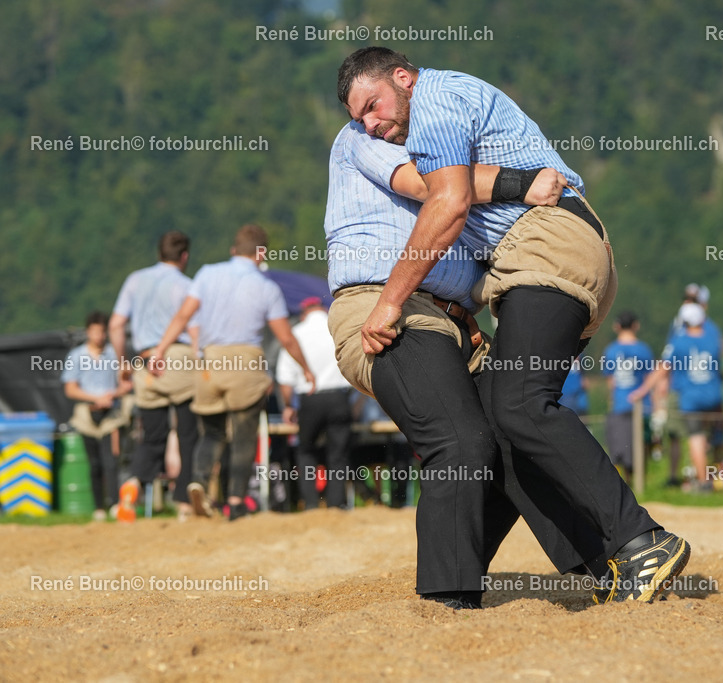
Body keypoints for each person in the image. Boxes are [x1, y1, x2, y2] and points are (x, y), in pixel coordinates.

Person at [338, 46, 690, 603]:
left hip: (544, 249)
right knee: (507, 427)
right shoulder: (429, 115)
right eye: (359, 118)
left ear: (403, 78)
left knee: (521, 405)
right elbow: (448, 190)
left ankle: (642, 540)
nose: (371, 124)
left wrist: (389, 302)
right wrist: (518, 182)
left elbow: (447, 201)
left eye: (373, 105)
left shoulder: (436, 100)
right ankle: (592, 570)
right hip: (549, 256)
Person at [322, 117, 601, 609]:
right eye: (362, 106)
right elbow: (432, 187)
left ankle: (601, 564)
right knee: (460, 442)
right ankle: (446, 597)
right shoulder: (364, 138)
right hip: (383, 308)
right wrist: (523, 182)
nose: (370, 117)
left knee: (516, 434)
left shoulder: (436, 144)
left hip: (455, 322)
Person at [151, 224, 315, 521]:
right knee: (243, 435)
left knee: (212, 433)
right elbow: (285, 337)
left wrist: (160, 350)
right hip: (246, 362)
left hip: (210, 363)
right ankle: (236, 501)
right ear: (261, 253)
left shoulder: (206, 274)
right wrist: (306, 368)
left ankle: (198, 480)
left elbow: (183, 316)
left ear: (233, 250)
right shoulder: (267, 287)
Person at [108, 230, 200, 523]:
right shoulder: (187, 285)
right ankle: (184, 501)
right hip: (177, 357)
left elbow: (115, 324)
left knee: (152, 436)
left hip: (144, 362)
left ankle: (132, 485)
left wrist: (124, 363)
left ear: (158, 253)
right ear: (184, 256)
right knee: (187, 434)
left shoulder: (135, 280)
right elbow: (195, 330)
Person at [632, 303, 723, 493]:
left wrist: (643, 390)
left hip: (692, 398)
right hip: (714, 395)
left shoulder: (678, 341)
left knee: (696, 438)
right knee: (715, 437)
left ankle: (704, 482)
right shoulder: (713, 338)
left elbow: (662, 368)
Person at [277, 296, 354, 511]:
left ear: (304, 313)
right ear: (322, 308)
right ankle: (336, 504)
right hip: (340, 397)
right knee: (338, 453)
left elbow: (285, 378)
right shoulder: (337, 329)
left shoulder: (297, 334)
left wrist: (288, 406)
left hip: (310, 398)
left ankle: (310, 503)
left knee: (306, 451)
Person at [61, 311, 134, 520]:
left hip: (111, 414)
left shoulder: (114, 354)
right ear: (88, 332)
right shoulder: (76, 356)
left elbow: (126, 383)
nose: (99, 336)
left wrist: (112, 395)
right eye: (95, 332)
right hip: (86, 415)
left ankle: (113, 503)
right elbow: (70, 389)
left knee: (111, 461)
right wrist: (94, 398)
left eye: (102, 332)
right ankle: (98, 507)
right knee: (93, 463)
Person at [600, 311, 654, 481]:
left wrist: (611, 401)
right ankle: (641, 480)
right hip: (642, 405)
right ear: (635, 325)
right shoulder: (643, 349)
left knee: (621, 447)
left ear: (616, 326)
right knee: (642, 444)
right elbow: (649, 378)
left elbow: (611, 382)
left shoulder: (610, 351)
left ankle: (627, 481)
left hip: (619, 405)